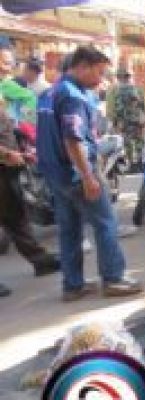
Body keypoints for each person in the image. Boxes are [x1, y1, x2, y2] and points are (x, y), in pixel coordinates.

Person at [36, 46, 142, 302]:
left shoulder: (50, 92)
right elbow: (73, 140)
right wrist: (87, 176)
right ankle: (114, 279)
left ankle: (73, 285)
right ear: (83, 66)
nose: (101, 79)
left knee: (69, 229)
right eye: (99, 72)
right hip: (75, 173)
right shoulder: (73, 96)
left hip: (54, 173)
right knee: (105, 223)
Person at [0, 44, 59, 298]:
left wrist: (21, 144)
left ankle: (40, 260)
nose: (8, 67)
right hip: (5, 160)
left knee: (15, 214)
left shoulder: (6, 89)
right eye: (4, 62)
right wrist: (5, 153)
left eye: (10, 62)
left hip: (8, 166)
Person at [112, 67, 145, 170]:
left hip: (127, 121)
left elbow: (118, 108)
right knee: (139, 141)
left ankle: (131, 164)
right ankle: (140, 162)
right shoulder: (138, 89)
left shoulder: (119, 91)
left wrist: (116, 122)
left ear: (121, 77)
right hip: (139, 119)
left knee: (128, 142)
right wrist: (143, 117)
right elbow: (143, 105)